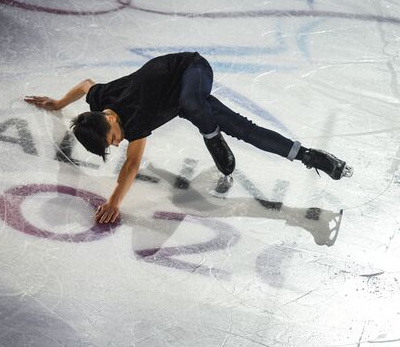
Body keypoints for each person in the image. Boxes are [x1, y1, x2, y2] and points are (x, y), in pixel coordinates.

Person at [25, 52, 352, 224]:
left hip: (192, 70)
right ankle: (311, 157)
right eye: (112, 145)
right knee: (244, 129)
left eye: (111, 138)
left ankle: (211, 136)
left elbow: (132, 165)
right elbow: (85, 85)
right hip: (185, 103)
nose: (116, 143)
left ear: (108, 120)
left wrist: (114, 202)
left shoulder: (132, 121)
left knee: (192, 104)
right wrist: (57, 104)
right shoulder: (102, 101)